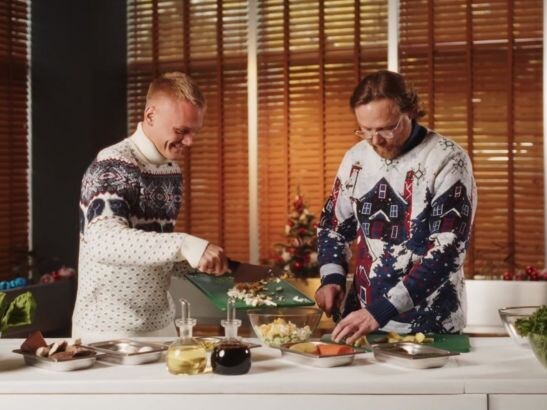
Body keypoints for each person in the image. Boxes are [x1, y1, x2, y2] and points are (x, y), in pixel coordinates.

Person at [315, 70, 477, 344]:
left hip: (431, 325)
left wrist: (382, 310)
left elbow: (448, 249)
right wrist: (332, 277)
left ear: (410, 111)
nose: (375, 140)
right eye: (366, 130)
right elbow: (334, 226)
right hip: (361, 322)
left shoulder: (447, 159)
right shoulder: (355, 158)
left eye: (386, 128)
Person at [72, 72, 228, 339]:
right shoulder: (112, 166)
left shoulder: (171, 170)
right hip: (107, 330)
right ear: (150, 115)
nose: (190, 142)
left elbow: (151, 248)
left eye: (194, 132)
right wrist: (186, 245)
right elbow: (103, 240)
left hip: (161, 325)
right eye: (181, 131)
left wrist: (197, 261)